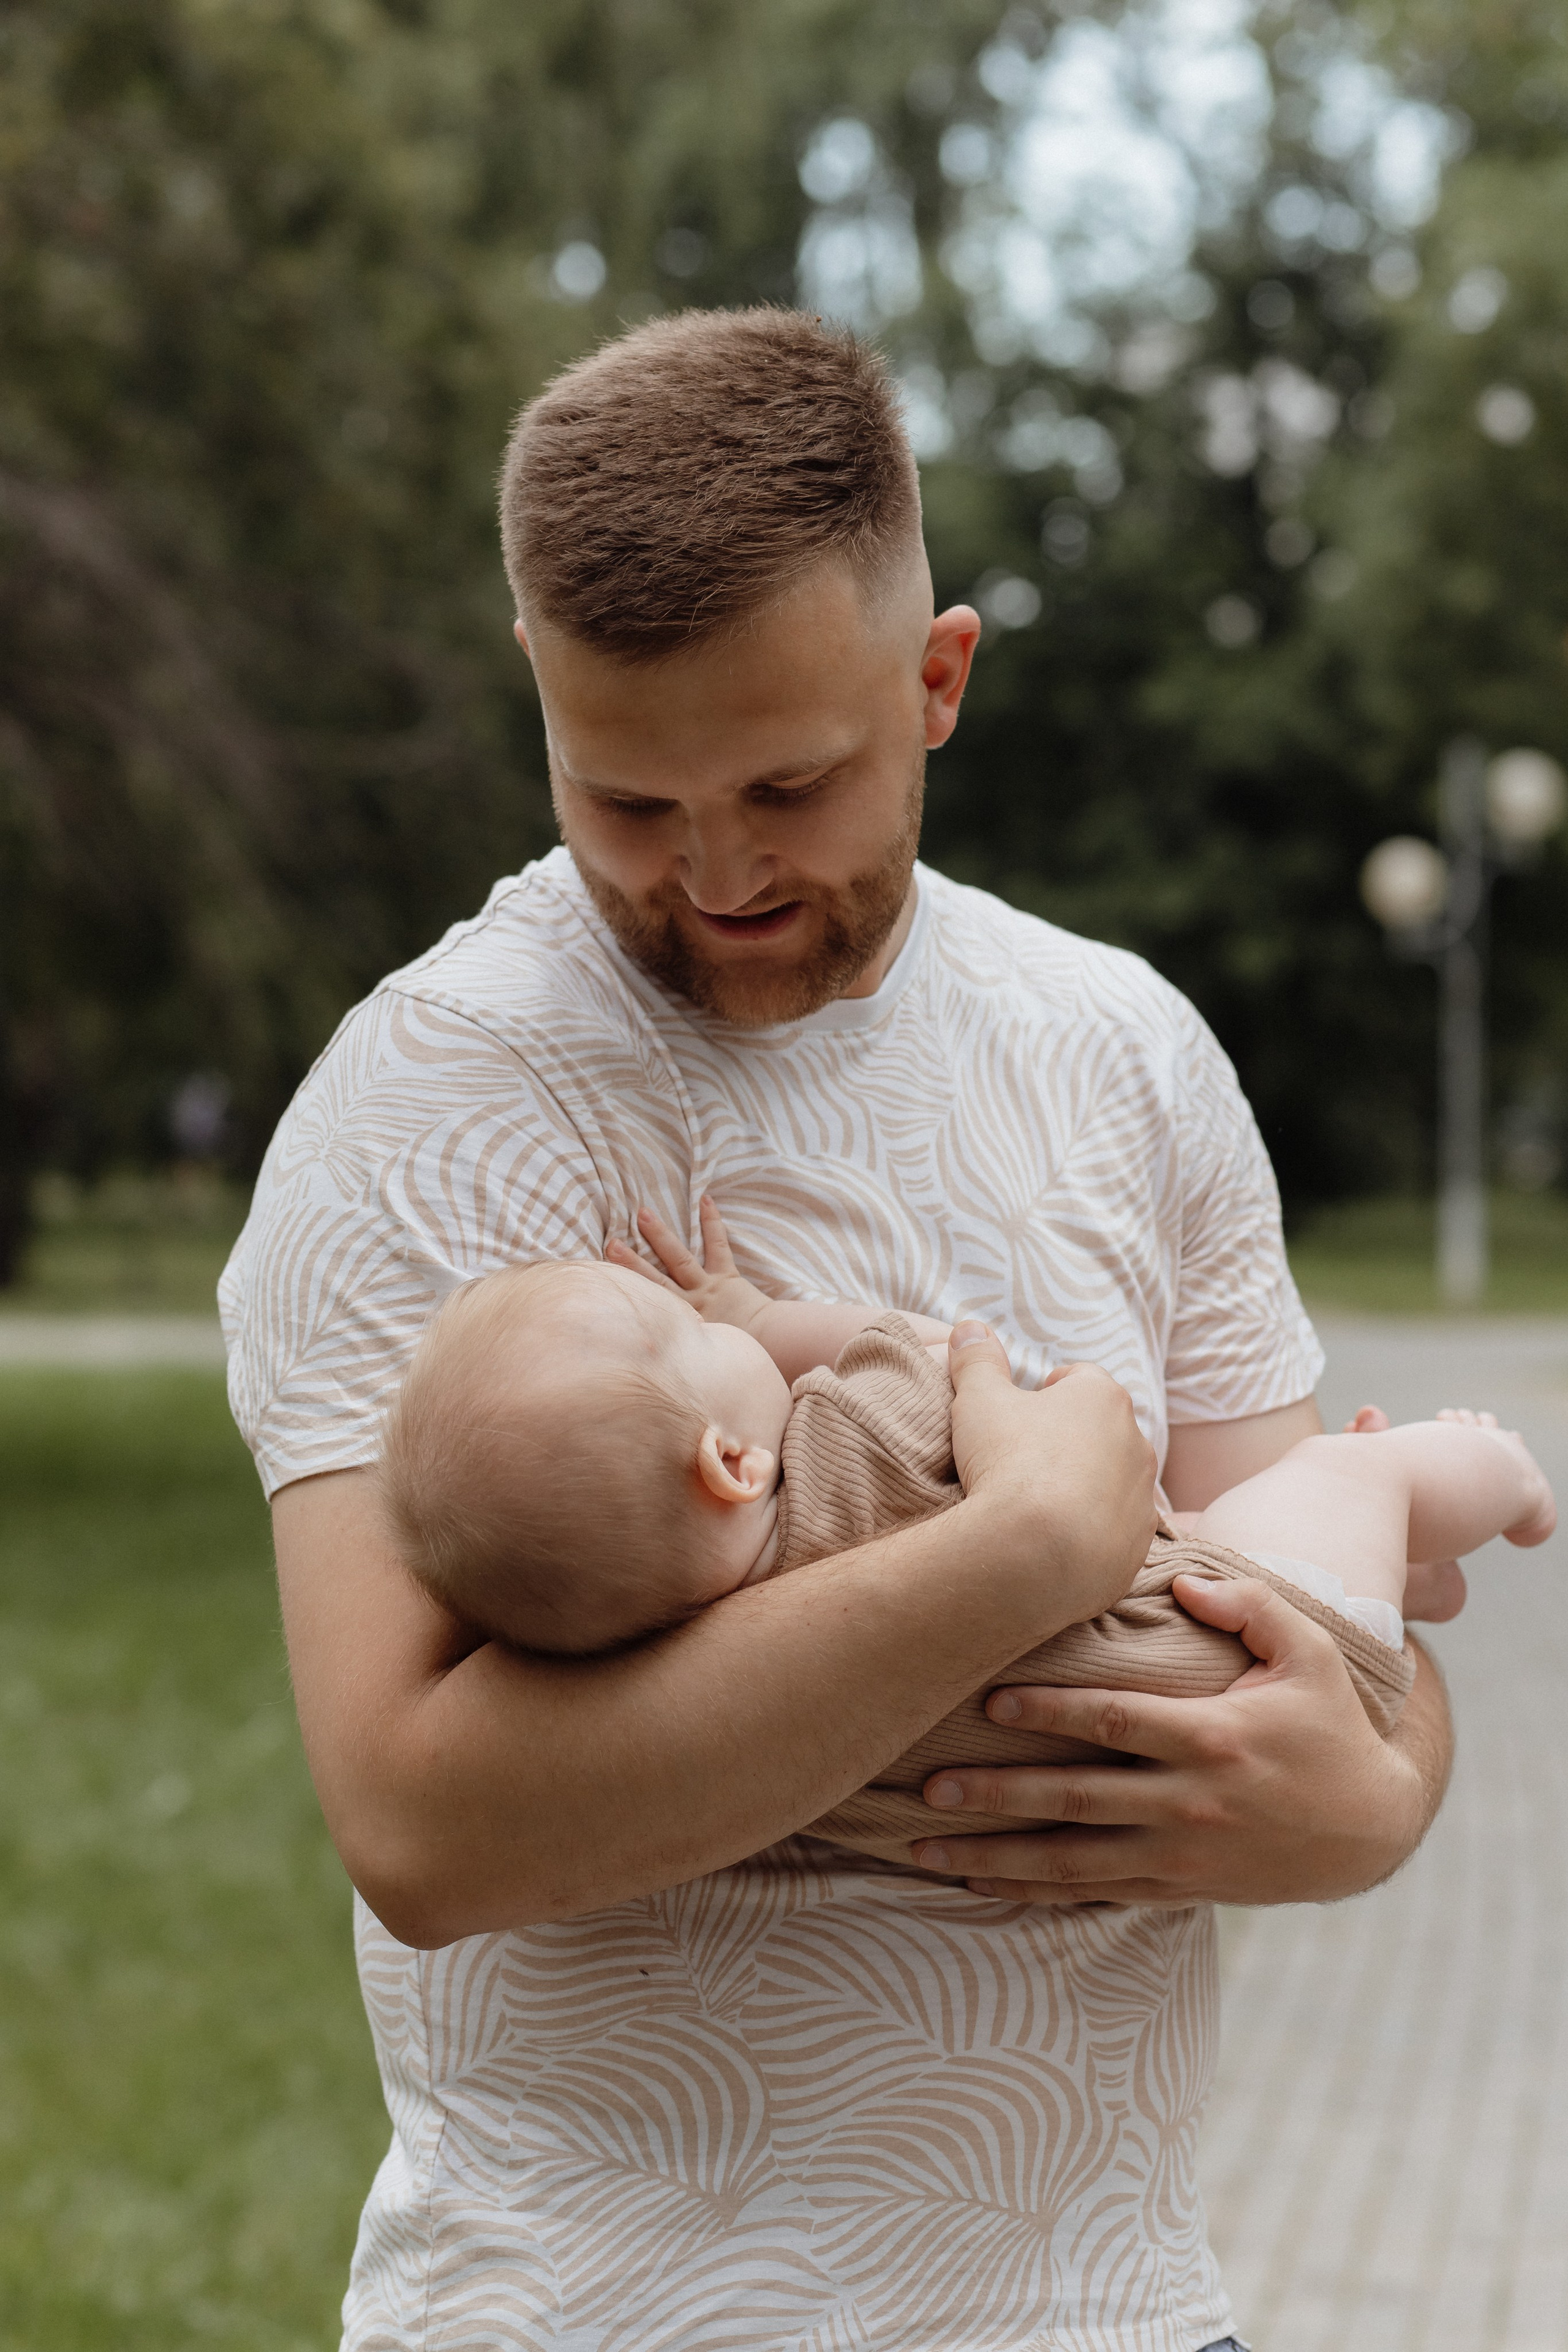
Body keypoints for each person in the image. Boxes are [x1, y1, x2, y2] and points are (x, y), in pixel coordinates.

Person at [224, 307, 1457, 2350]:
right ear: (539, 691)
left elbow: (1333, 1584)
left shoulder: (1123, 1058)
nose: (715, 873)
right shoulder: (423, 1107)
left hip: (1113, 2312)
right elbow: (421, 1824)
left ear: (939, 680)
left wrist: (1380, 1806)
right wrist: (1027, 1552)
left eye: (788, 782)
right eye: (625, 803)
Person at [375, 1202, 1549, 1856]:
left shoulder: (693, 1677)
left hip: (1160, 1729)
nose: (714, 1327)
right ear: (732, 1464)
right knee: (1354, 1465)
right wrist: (764, 1314)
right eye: (687, 1335)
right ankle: (1504, 1472)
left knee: (1274, 1520)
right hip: (1254, 1642)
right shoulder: (849, 1441)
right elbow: (951, 1356)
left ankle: (1408, 1578)